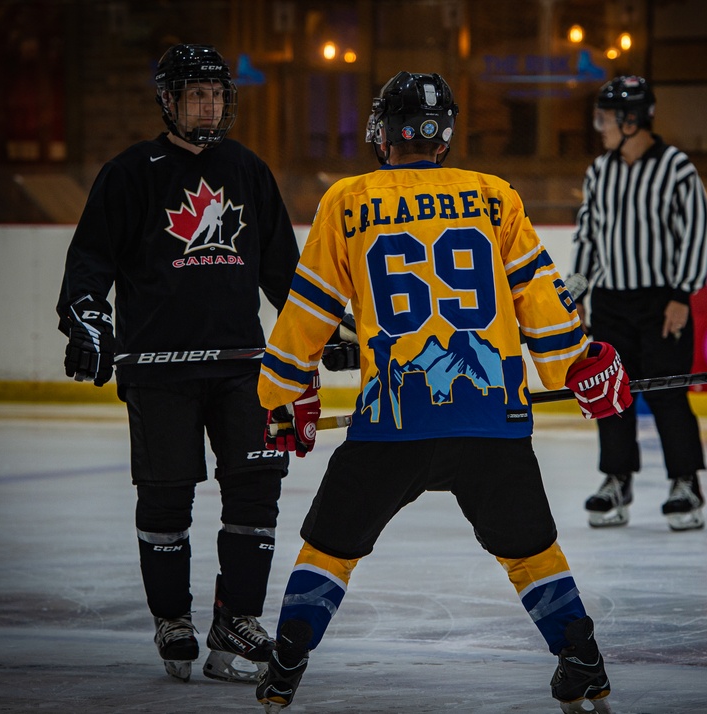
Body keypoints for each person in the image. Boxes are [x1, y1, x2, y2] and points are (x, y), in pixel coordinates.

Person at [252, 71, 633, 713]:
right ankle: (582, 662)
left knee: (330, 548)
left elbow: (308, 308)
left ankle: (285, 665)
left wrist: (281, 392)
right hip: (490, 415)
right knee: (531, 549)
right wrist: (576, 362)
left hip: (393, 416)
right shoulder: (493, 196)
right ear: (443, 135)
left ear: (384, 131)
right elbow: (539, 293)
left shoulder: (347, 200)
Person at [56, 43, 301, 683]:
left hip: (242, 366)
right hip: (159, 369)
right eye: (196, 93)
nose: (209, 104)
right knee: (166, 500)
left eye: (217, 93)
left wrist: (321, 331)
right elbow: (89, 263)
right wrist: (85, 313)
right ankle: (173, 618)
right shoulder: (130, 172)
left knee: (256, 493)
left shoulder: (248, 170)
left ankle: (235, 619)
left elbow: (287, 275)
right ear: (168, 99)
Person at [568, 75, 707, 532]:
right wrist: (578, 291)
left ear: (632, 120)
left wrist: (680, 295)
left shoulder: (676, 168)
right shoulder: (599, 171)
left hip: (660, 303)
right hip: (611, 302)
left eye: (606, 118)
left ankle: (685, 483)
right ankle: (616, 480)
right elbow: (589, 234)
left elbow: (697, 232)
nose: (600, 126)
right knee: (610, 397)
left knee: (668, 394)